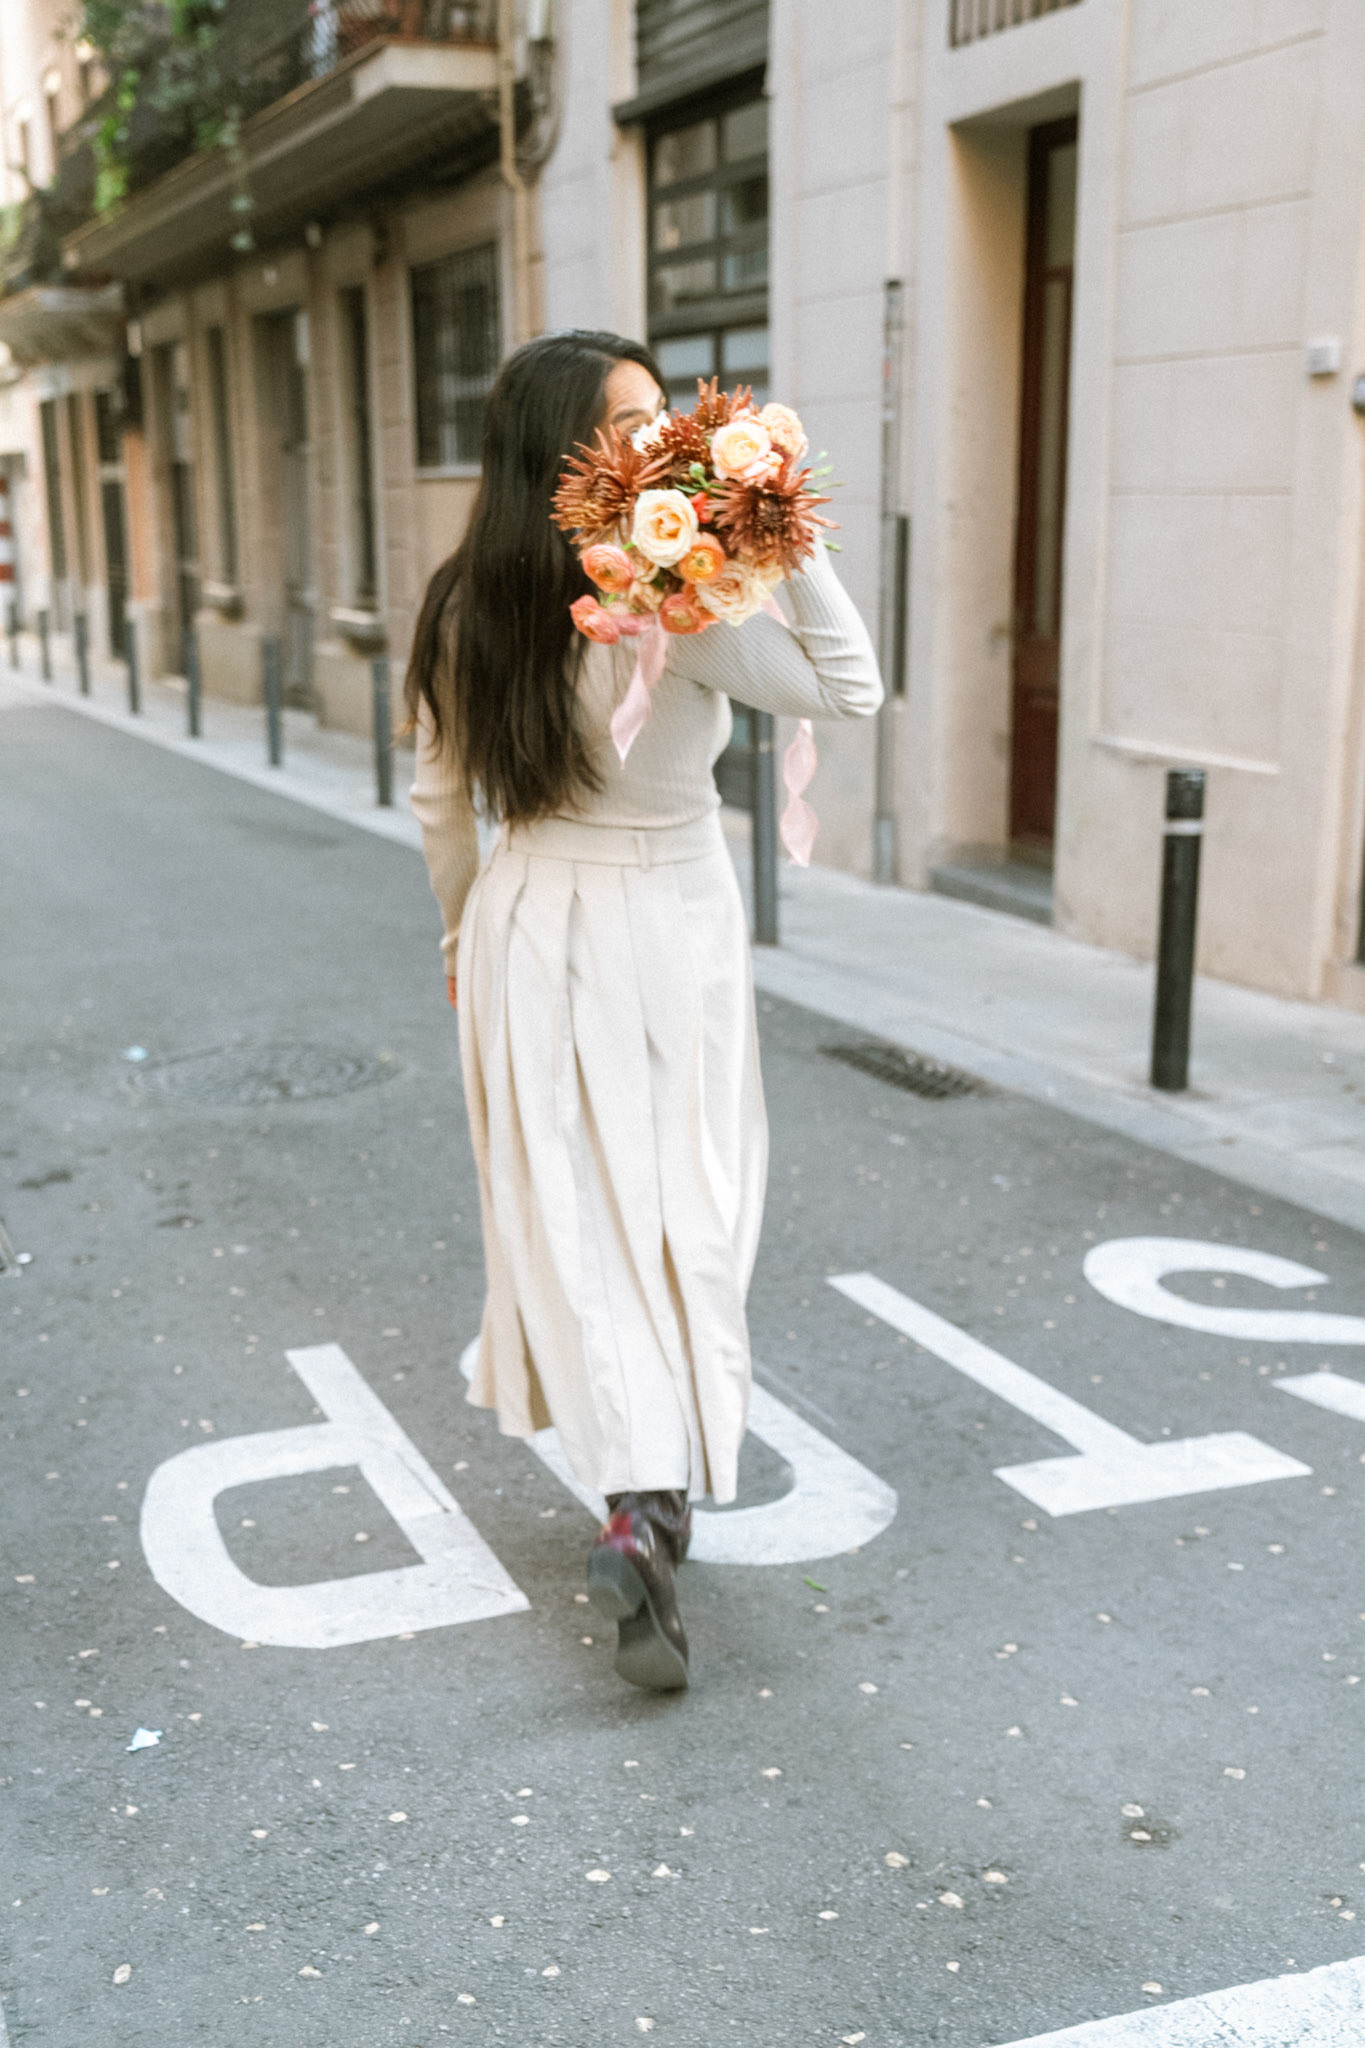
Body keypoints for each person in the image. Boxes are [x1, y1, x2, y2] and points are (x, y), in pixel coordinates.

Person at [406, 330, 882, 1692]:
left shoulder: (463, 603)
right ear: (567, 450)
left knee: (575, 1215)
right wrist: (782, 523)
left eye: (668, 419)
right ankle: (649, 1498)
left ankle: (638, 1501)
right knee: (692, 1201)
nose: (663, 442)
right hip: (668, 916)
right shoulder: (681, 600)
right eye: (633, 423)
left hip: (524, 918)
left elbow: (442, 806)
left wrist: (460, 936)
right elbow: (848, 686)